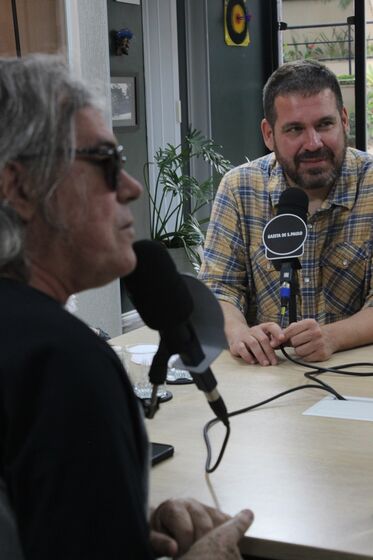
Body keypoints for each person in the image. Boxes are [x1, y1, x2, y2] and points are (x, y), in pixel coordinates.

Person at [0, 54, 253, 560]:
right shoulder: (63, 366)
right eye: (106, 163)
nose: (132, 187)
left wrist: (123, 524)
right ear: (21, 187)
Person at [199, 59, 373, 367]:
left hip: (357, 378)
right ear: (269, 134)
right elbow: (219, 287)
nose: (313, 143)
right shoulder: (239, 188)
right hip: (268, 380)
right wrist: (239, 332)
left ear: (344, 121)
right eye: (295, 129)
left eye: (325, 124)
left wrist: (332, 337)